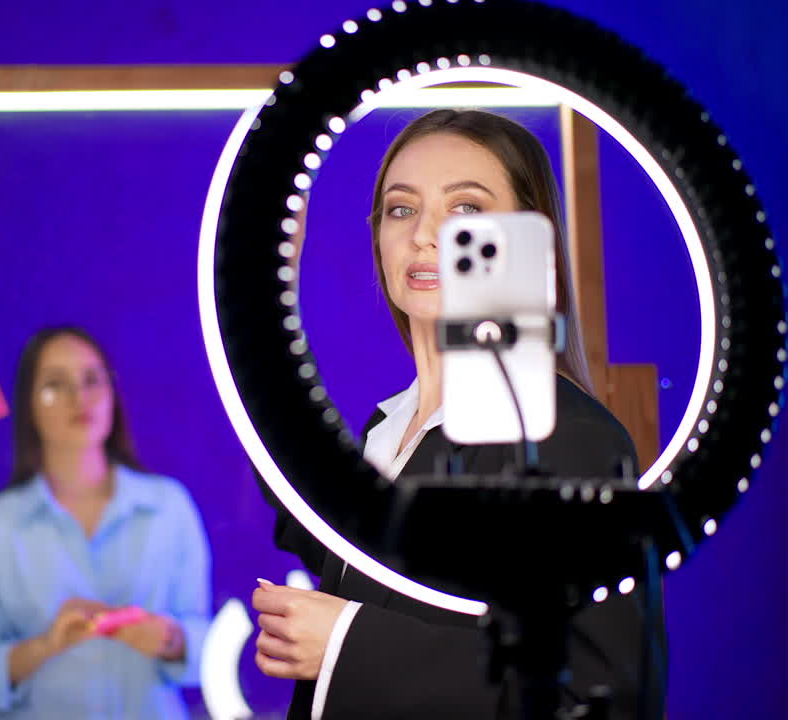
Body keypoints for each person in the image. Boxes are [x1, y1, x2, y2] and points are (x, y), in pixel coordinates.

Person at [252, 109, 667, 719]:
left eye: (466, 210)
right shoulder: (389, 430)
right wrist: (267, 287)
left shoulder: (565, 437)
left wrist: (345, 641)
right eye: (401, 208)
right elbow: (312, 511)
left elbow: (599, 692)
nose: (425, 234)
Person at [0, 327, 211, 719]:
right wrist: (46, 646)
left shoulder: (169, 507)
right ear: (28, 405)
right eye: (55, 385)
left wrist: (170, 640)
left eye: (92, 380)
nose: (78, 398)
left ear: (112, 394)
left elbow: (209, 646)